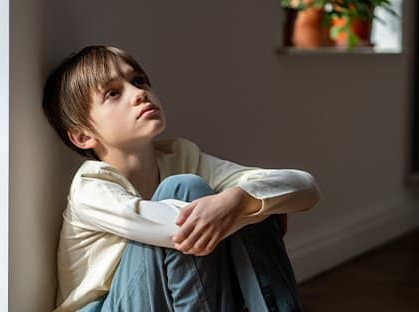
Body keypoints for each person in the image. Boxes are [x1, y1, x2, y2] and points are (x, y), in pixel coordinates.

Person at [42, 45, 321, 312]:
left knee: (245, 193)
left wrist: (242, 199)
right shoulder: (91, 189)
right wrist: (252, 205)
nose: (138, 93)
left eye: (139, 80)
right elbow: (184, 231)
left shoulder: (180, 155)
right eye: (113, 93)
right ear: (82, 136)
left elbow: (306, 187)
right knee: (193, 191)